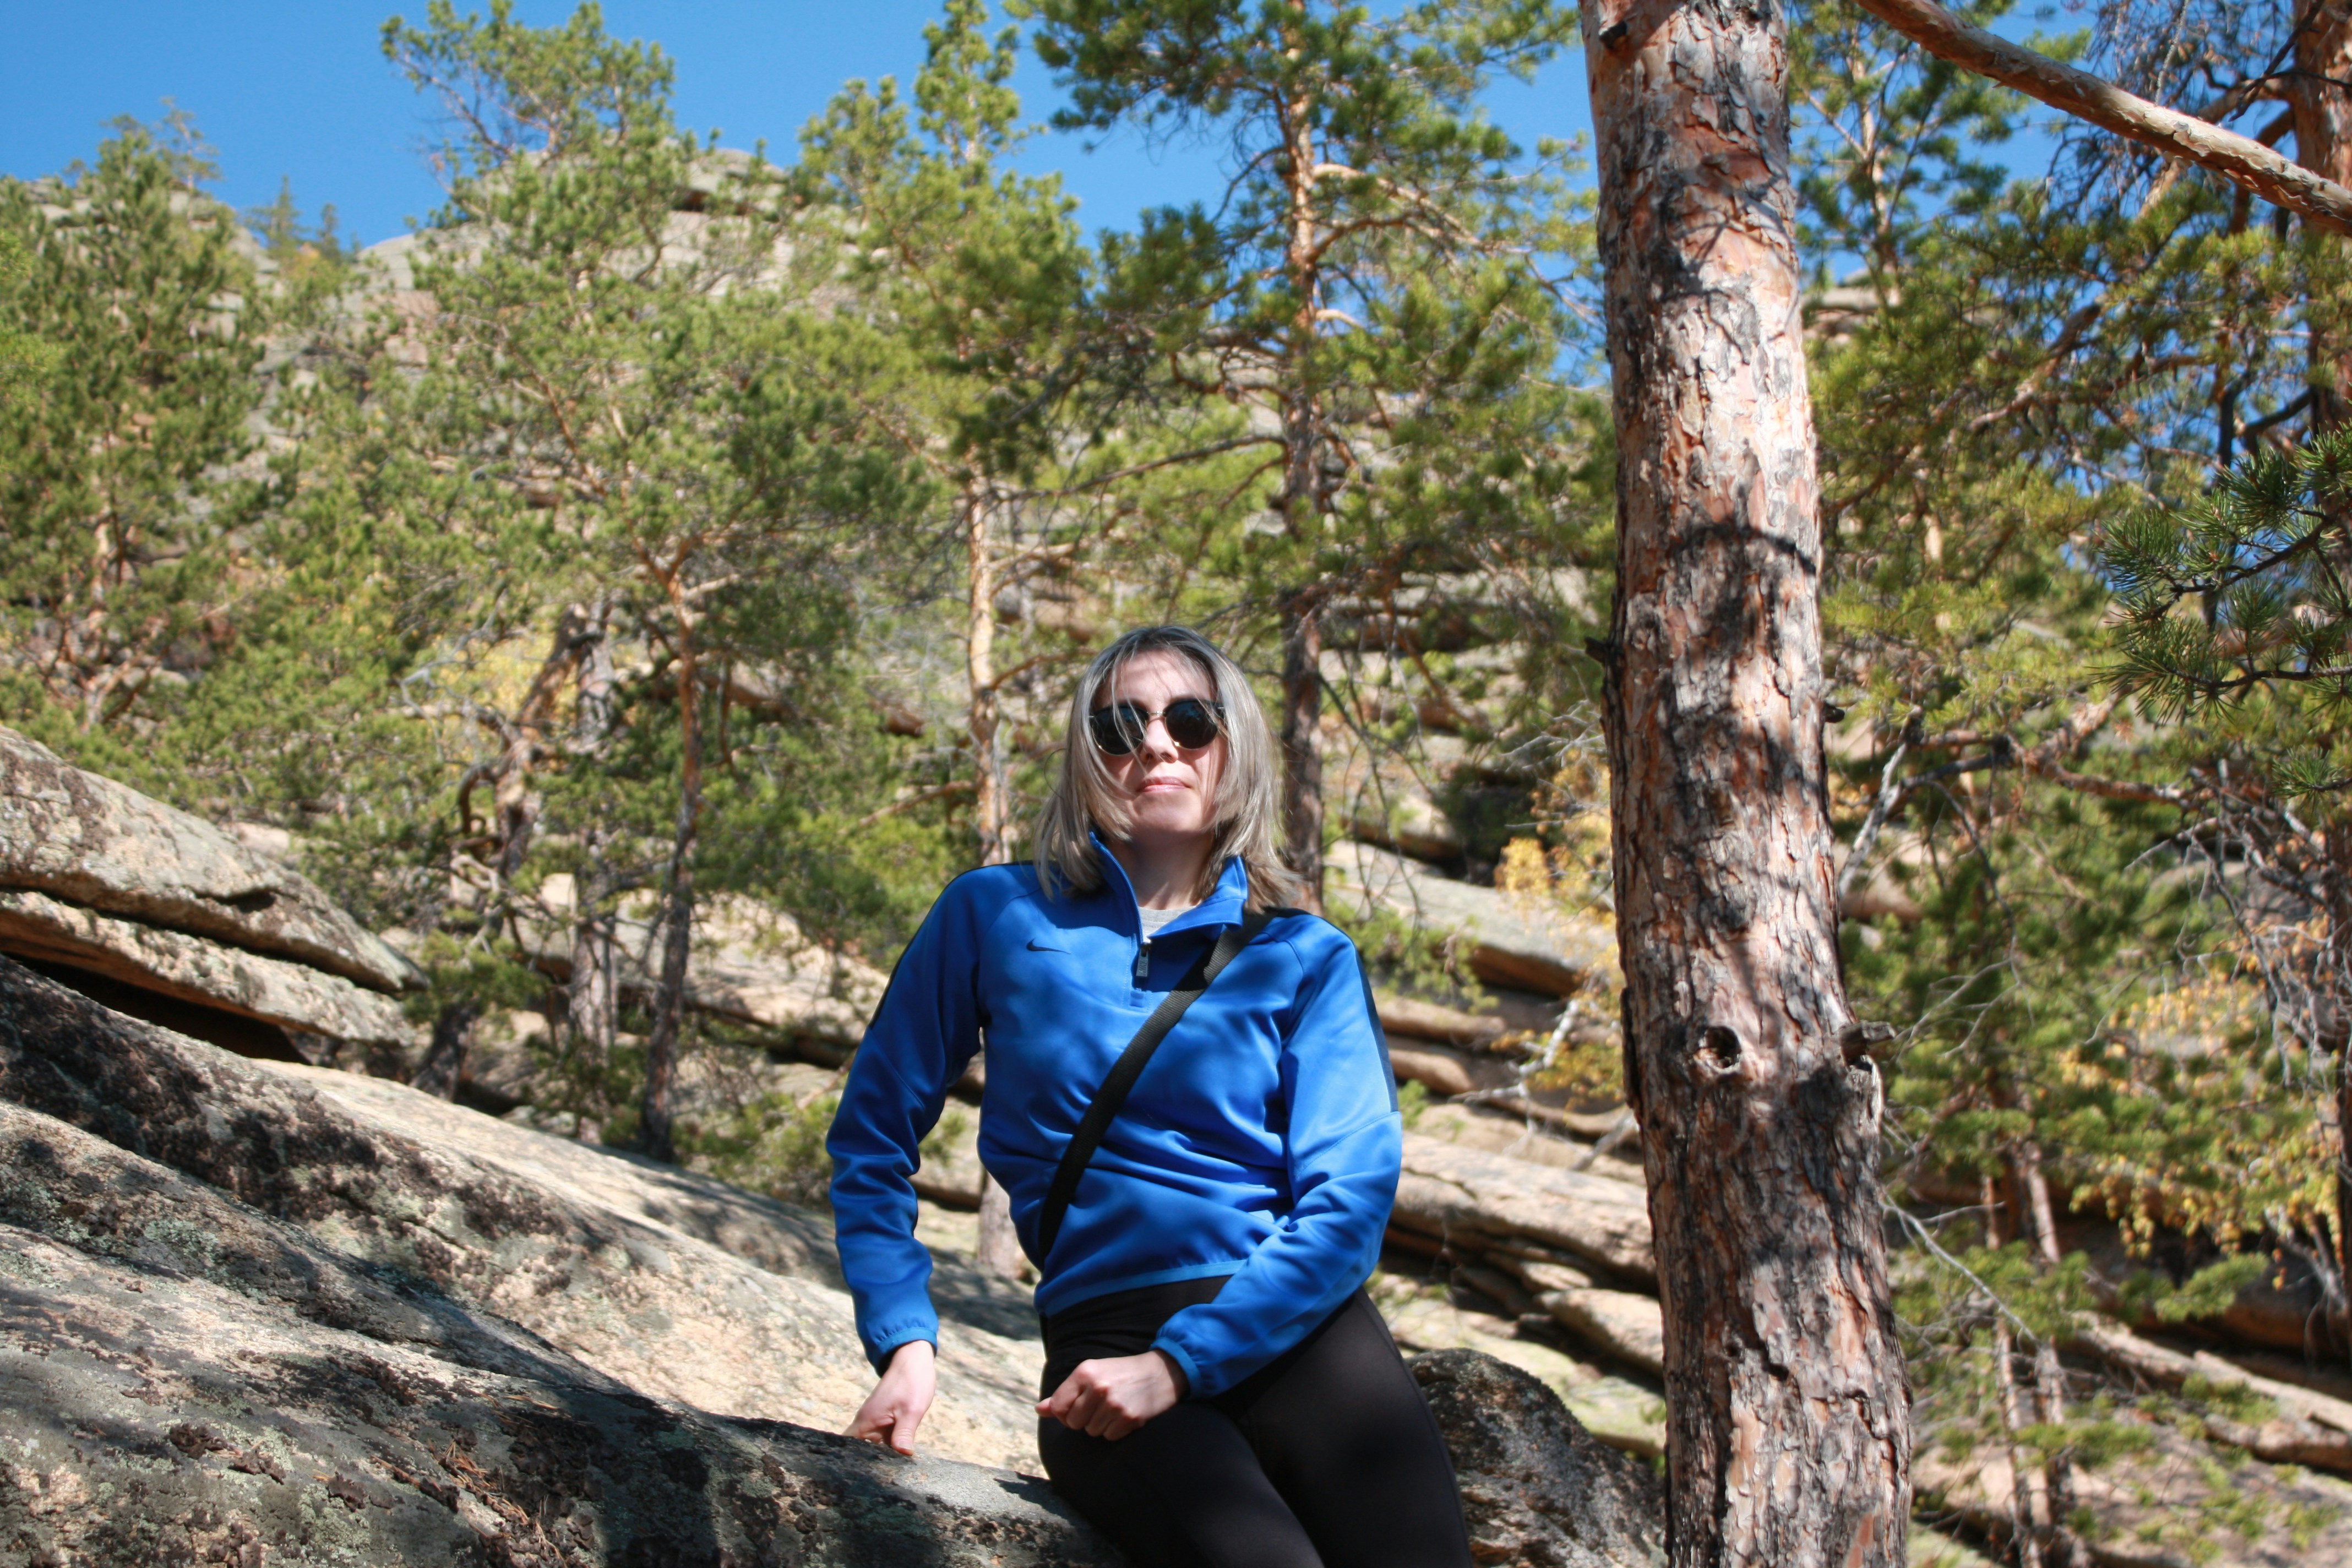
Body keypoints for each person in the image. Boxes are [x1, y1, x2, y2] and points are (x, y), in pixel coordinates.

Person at [827, 624, 1473, 1568]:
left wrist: (1183, 1365)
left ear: (1233, 744)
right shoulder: (995, 913)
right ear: (1089, 754)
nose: (1157, 745)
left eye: (1190, 720)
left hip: (1305, 1335)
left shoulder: (1304, 956)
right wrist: (905, 1342)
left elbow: (1348, 1202)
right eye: (1121, 725)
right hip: (1104, 1344)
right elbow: (873, 1135)